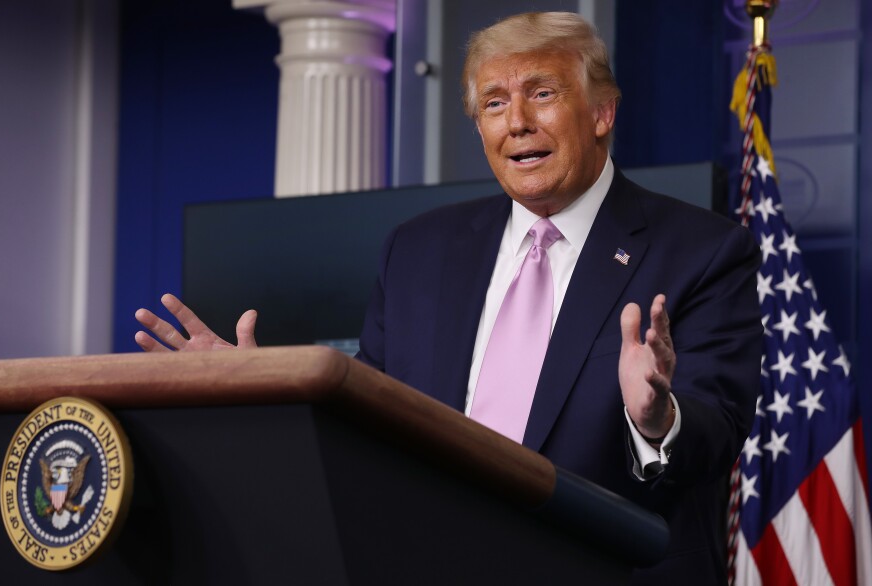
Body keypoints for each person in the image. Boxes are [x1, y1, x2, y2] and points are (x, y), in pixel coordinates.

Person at [135, 12, 761, 585]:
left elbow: (717, 431)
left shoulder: (702, 251)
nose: (517, 121)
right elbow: (367, 425)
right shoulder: (418, 250)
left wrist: (657, 419)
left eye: (542, 93)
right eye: (494, 103)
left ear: (602, 113)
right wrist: (265, 396)